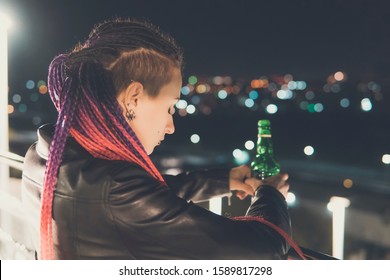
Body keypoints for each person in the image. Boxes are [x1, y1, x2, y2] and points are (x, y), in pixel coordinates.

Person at [21, 18, 292, 260]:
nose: (171, 126)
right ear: (133, 98)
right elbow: (258, 250)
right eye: (170, 107)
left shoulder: (44, 154)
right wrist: (270, 193)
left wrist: (225, 180)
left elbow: (147, 201)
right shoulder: (115, 189)